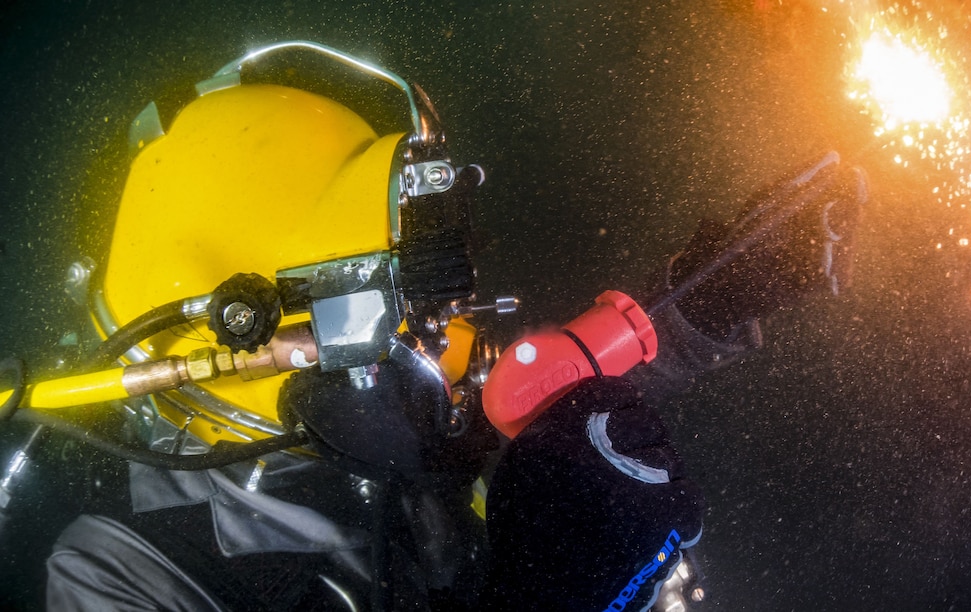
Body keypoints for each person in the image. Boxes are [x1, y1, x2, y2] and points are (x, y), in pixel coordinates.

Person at [44, 151, 866, 611]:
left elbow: (571, 368)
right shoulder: (117, 581)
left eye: (435, 306)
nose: (457, 342)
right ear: (241, 347)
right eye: (402, 316)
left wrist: (717, 291)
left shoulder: (391, 430)